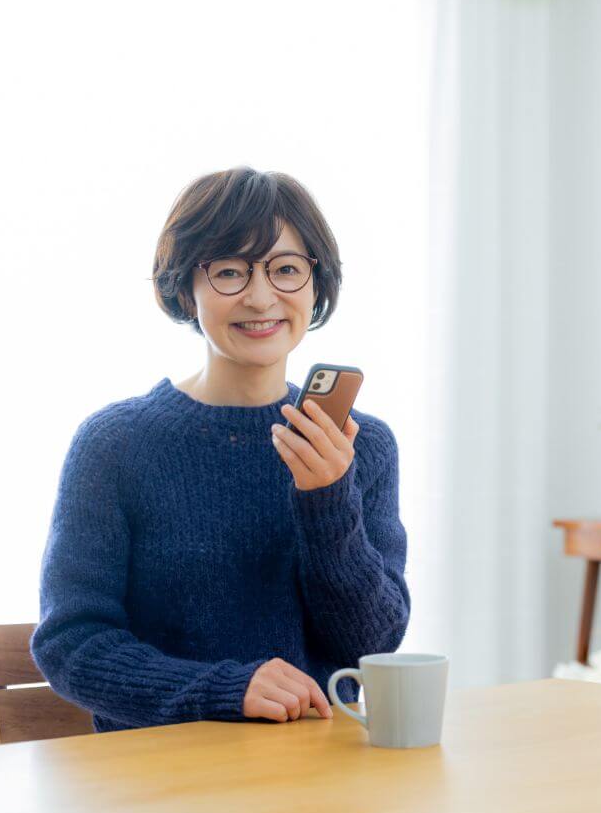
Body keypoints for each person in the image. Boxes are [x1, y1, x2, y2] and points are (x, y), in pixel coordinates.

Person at [31, 166, 410, 732]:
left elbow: (371, 645)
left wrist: (327, 498)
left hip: (323, 779)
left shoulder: (361, 446)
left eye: (286, 269)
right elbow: (70, 644)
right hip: (164, 784)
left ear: (316, 283)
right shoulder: (116, 446)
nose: (261, 298)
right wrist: (225, 690)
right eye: (230, 272)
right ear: (186, 287)